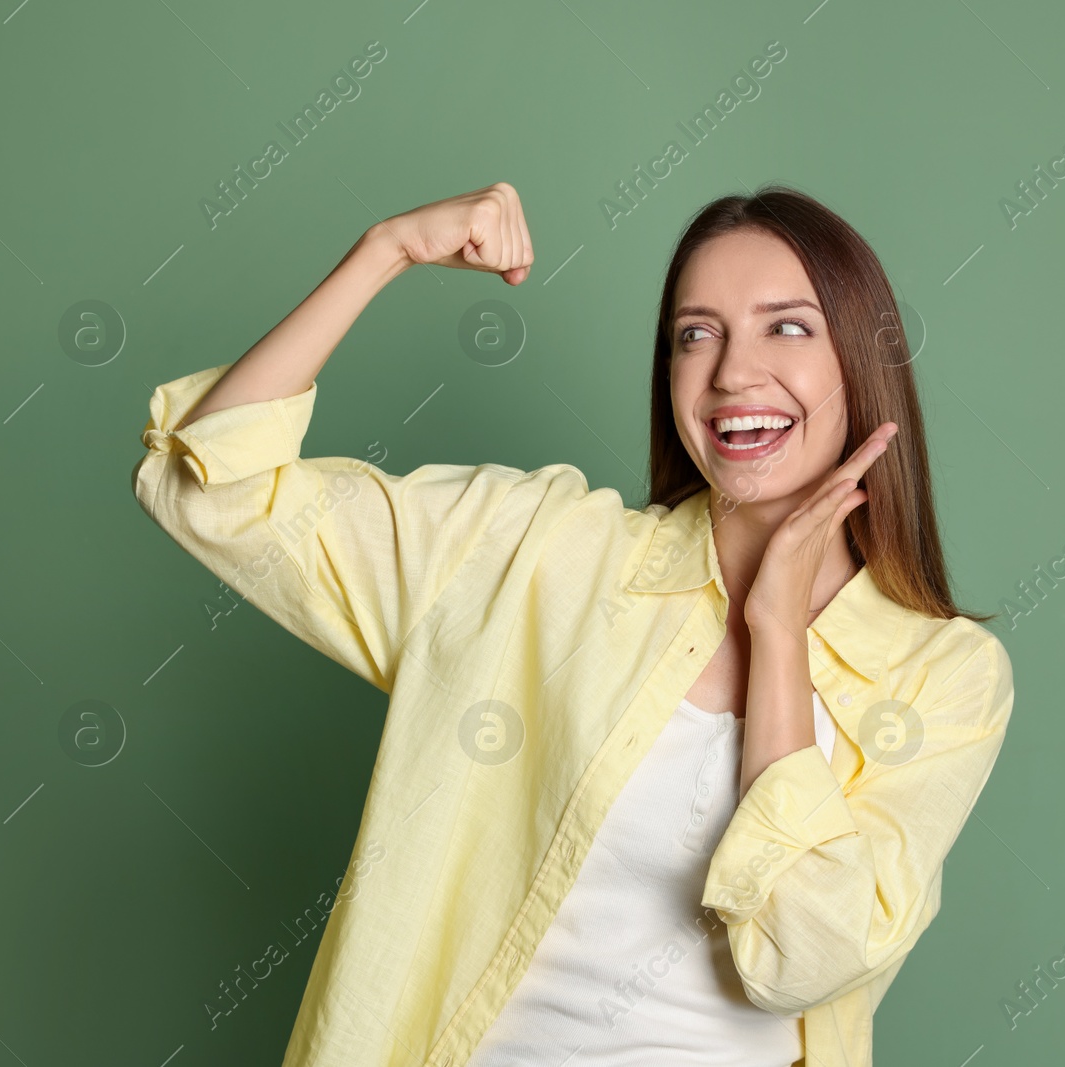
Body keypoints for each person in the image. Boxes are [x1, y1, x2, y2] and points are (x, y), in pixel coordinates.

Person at [131, 181, 1016, 1067]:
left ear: (862, 362)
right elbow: (213, 493)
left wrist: (776, 632)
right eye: (695, 334)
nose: (734, 373)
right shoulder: (541, 554)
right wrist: (386, 250)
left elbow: (798, 959)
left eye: (786, 326)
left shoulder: (946, 675)